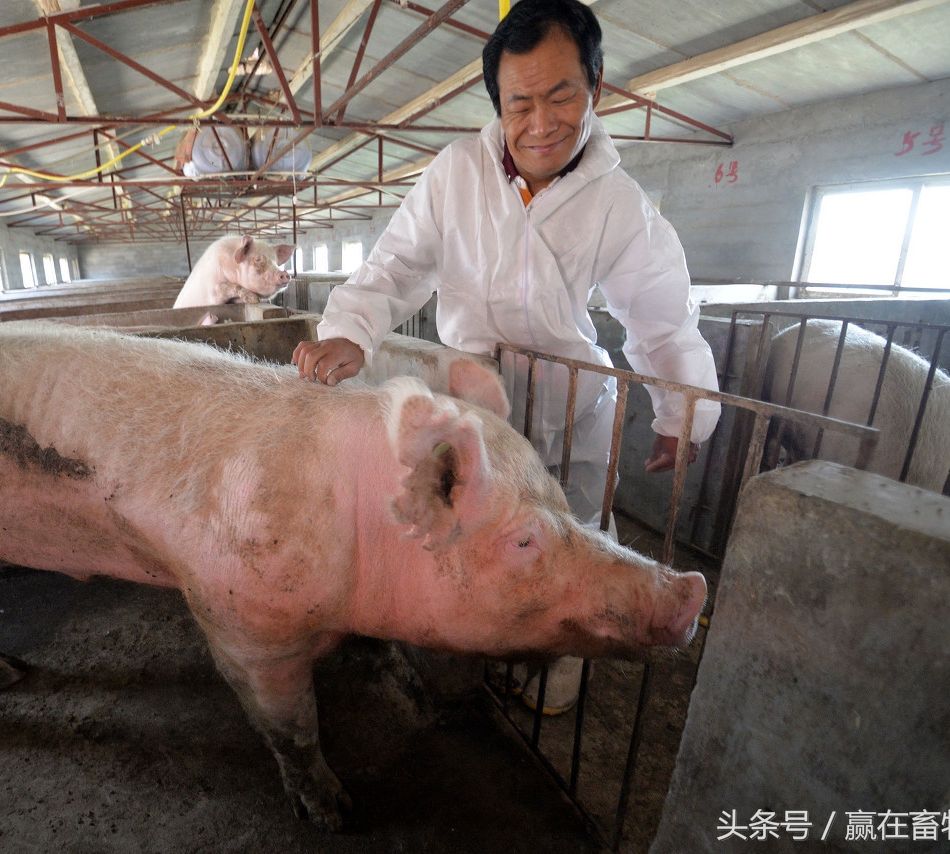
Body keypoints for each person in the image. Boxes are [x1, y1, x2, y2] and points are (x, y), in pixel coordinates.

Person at [292, 0, 720, 712]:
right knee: (483, 529)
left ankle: (562, 656)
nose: (541, 122)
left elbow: (660, 311)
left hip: (568, 396)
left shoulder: (617, 201)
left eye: (562, 95)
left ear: (597, 86)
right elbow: (396, 265)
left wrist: (681, 411)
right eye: (520, 102)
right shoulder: (456, 172)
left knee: (578, 529)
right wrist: (352, 328)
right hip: (476, 398)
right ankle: (491, 633)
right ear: (498, 102)